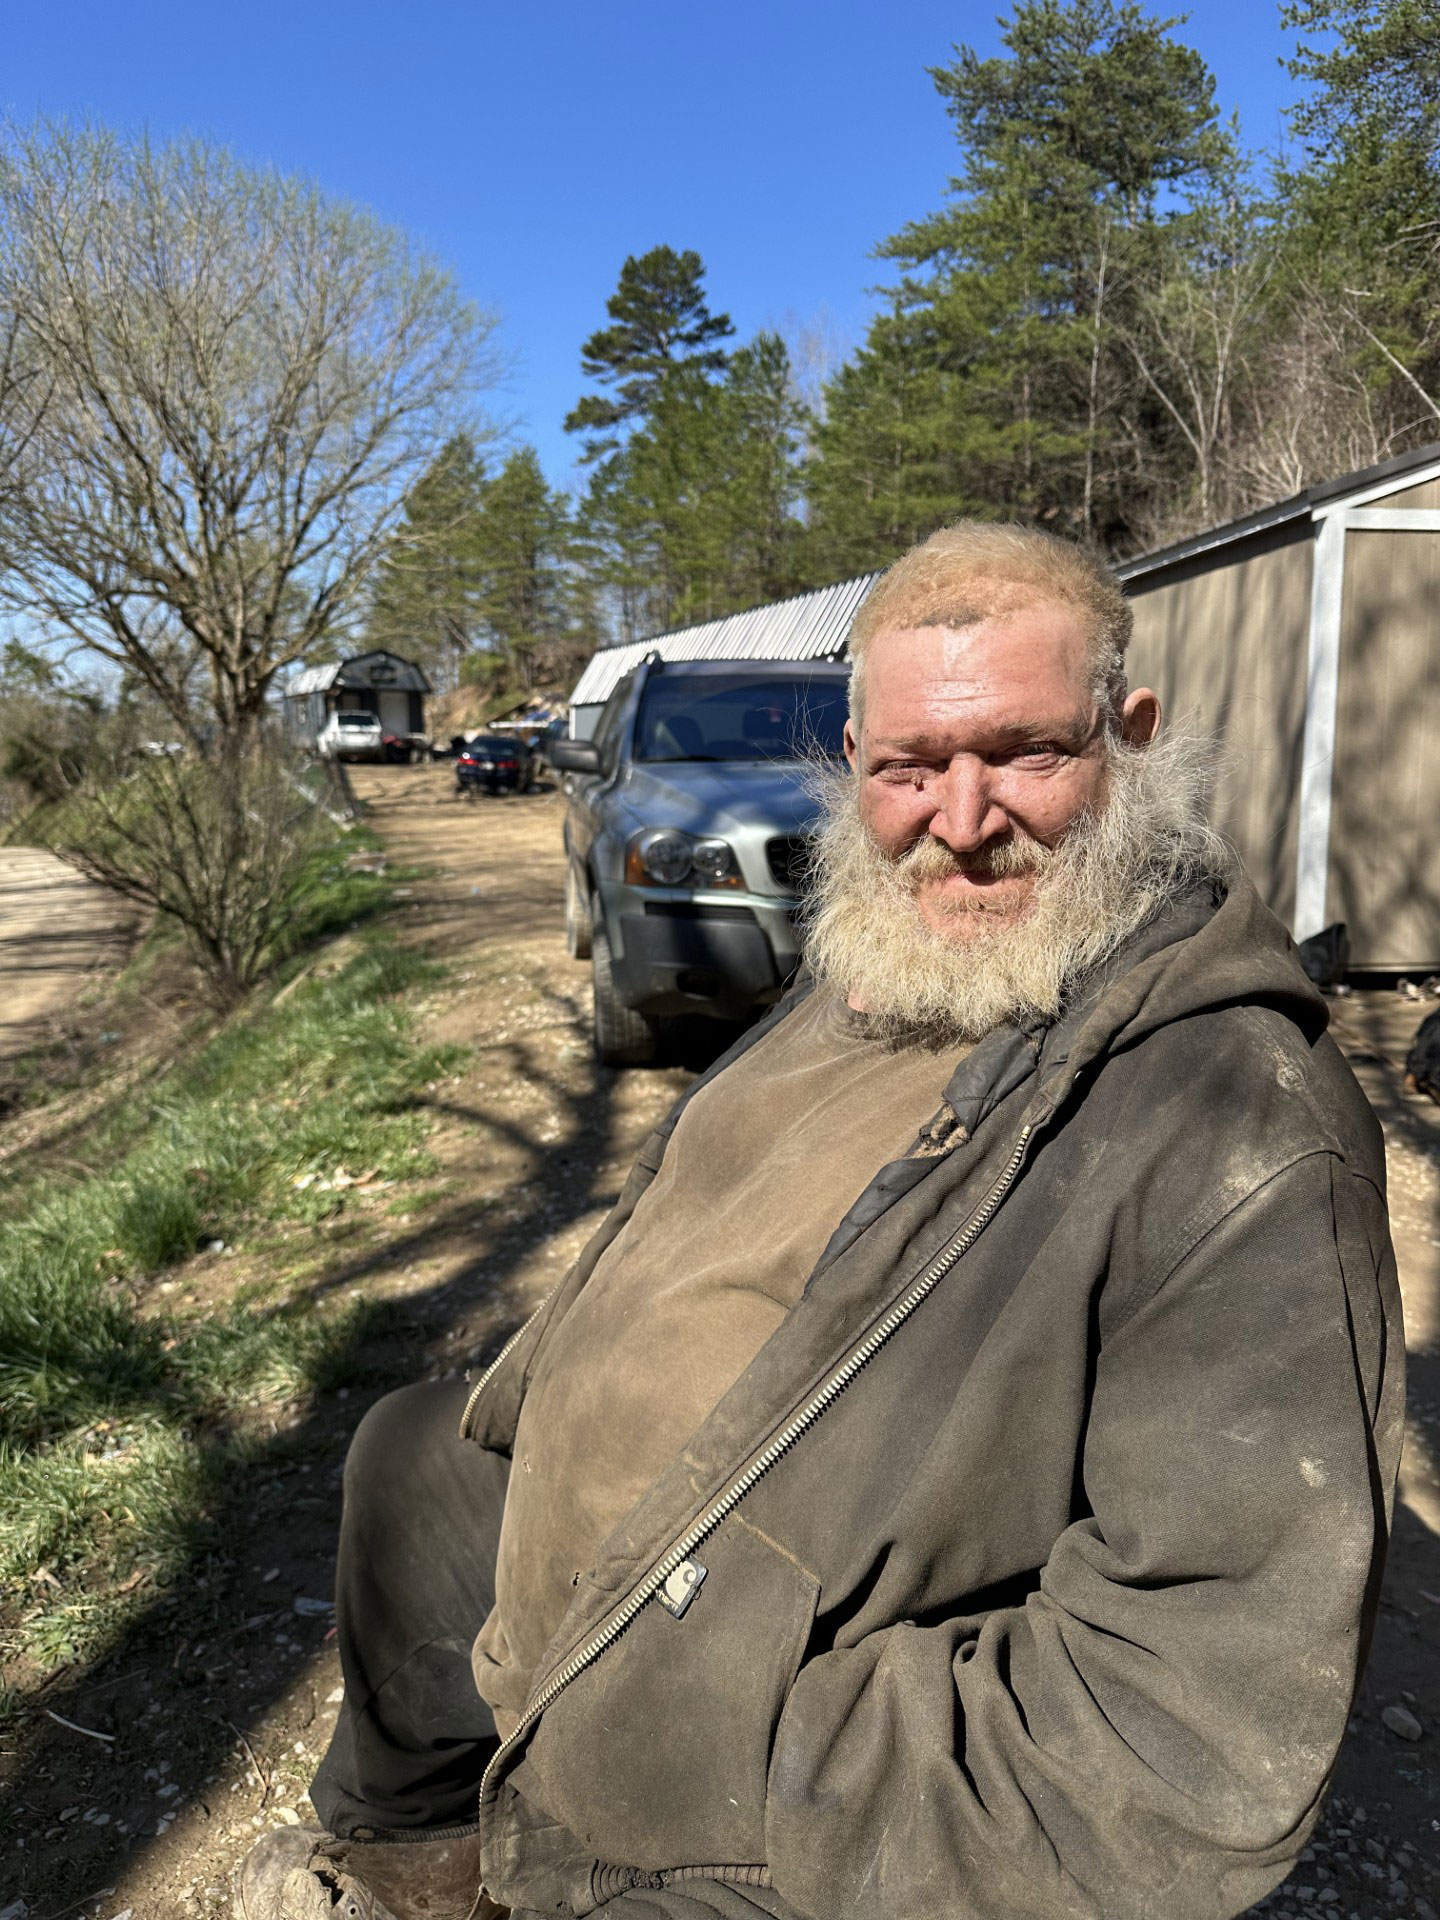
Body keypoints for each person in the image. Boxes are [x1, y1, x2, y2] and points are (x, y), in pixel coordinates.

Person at [236, 523, 1403, 1920]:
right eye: (911, 768)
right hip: (624, 1569)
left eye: (1026, 752)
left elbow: (1180, 1734)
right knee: (414, 1457)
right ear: (857, 766)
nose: (962, 822)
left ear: (1132, 738)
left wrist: (724, 1764)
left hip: (746, 1720)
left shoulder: (1231, 1117)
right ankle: (421, 1867)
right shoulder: (885, 961)